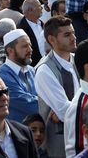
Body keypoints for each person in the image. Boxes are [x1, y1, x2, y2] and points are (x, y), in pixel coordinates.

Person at [35, 16, 80, 158]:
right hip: (60, 143)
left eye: (73, 33)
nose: (73, 38)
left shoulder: (76, 60)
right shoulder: (45, 70)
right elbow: (65, 111)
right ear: (52, 40)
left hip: (81, 136)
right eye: (67, 35)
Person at [0, 29, 38, 122]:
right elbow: (27, 103)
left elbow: (44, 94)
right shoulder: (2, 76)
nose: (30, 50)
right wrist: (53, 107)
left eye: (30, 45)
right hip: (18, 132)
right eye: (25, 46)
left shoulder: (31, 70)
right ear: (10, 50)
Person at [18, 0, 45, 67]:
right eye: (39, 6)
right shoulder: (21, 29)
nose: (42, 7)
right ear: (30, 10)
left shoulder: (42, 24)